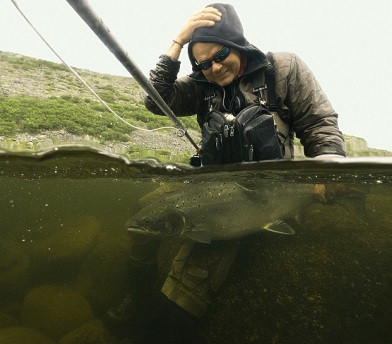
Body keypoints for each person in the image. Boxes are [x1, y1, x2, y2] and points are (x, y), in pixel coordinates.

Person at [107, 3, 346, 342]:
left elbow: (319, 123)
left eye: (220, 56)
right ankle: (139, 288)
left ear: (237, 43)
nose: (214, 68)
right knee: (143, 210)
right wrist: (177, 41)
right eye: (202, 63)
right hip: (213, 185)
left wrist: (329, 168)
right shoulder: (199, 84)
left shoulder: (283, 69)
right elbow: (155, 100)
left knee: (185, 288)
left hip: (265, 190)